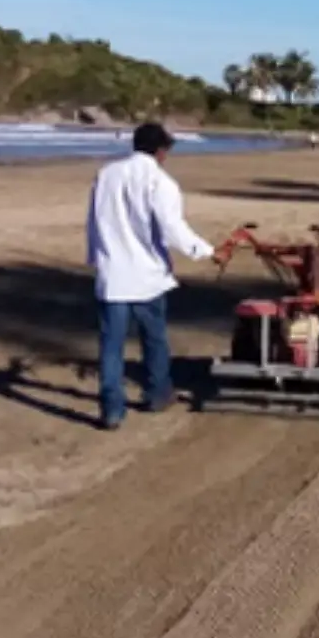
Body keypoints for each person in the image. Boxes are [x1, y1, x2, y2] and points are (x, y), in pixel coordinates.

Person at [85, 122, 214, 431]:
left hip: (113, 274)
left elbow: (94, 221)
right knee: (154, 340)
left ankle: (112, 410)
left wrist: (95, 258)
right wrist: (204, 250)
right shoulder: (161, 182)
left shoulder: (107, 174)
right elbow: (172, 228)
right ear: (161, 150)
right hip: (147, 276)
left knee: (111, 346)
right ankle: (157, 394)